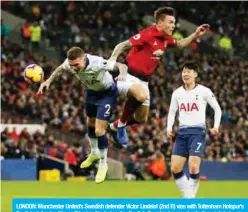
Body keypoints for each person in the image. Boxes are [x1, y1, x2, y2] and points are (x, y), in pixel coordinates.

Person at [108, 7, 210, 147]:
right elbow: (122, 45)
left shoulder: (166, 38)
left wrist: (195, 34)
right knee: (140, 96)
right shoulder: (148, 34)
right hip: (128, 74)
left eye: (174, 22)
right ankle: (120, 126)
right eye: (171, 22)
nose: (174, 25)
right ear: (160, 23)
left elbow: (180, 44)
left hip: (144, 80)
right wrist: (113, 59)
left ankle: (113, 127)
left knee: (141, 118)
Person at [37, 46, 128, 183]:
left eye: (76, 65)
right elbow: (60, 69)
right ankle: (94, 152)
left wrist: (122, 74)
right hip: (91, 93)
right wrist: (48, 81)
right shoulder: (70, 64)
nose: (73, 68)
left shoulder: (97, 62)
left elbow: (121, 66)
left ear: (84, 58)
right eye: (72, 65)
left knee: (99, 130)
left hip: (107, 93)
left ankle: (103, 163)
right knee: (90, 123)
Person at [167, 61, 222, 198]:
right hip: (182, 132)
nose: (185, 74)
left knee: (193, 166)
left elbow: (217, 108)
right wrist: (169, 128)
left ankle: (189, 198)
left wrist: (216, 126)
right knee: (175, 168)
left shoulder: (204, 91)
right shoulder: (177, 93)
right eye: (184, 71)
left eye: (188, 71)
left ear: (195, 74)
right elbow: (172, 112)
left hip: (198, 132)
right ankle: (188, 195)